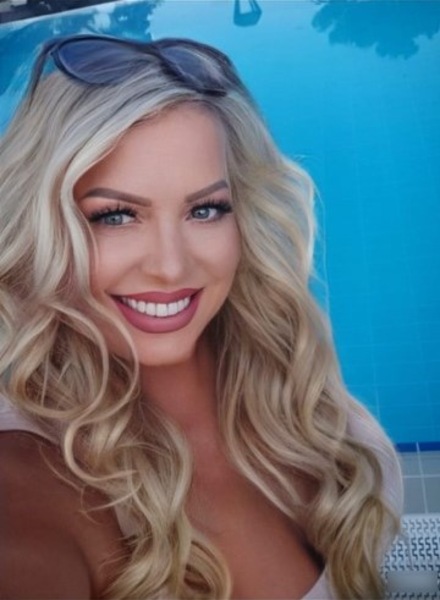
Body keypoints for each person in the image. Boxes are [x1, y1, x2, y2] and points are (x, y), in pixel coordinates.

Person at [0, 34, 402, 599]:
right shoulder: (27, 474)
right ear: (43, 231)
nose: (171, 266)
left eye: (205, 209)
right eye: (115, 215)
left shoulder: (313, 417)